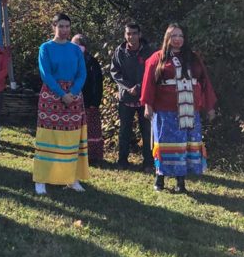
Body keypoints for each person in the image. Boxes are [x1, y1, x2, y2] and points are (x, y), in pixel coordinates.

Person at [141, 23, 217, 193]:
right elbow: (148, 83)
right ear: (167, 38)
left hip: (189, 110)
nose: (177, 39)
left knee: (184, 144)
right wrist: (148, 104)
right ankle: (159, 178)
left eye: (180, 36)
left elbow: (205, 82)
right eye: (174, 36)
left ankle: (180, 182)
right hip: (165, 111)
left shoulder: (193, 58)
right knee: (165, 144)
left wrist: (209, 106)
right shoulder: (157, 58)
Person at [33, 13, 88, 194]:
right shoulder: (45, 48)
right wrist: (61, 93)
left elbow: (82, 73)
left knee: (71, 138)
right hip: (51, 96)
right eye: (61, 26)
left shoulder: (75, 50)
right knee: (48, 138)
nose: (64, 30)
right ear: (54, 27)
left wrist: (72, 92)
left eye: (67, 26)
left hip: (73, 97)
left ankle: (71, 178)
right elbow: (45, 74)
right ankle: (41, 178)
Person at [110, 21, 154, 171]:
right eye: (128, 33)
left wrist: (140, 87)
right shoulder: (119, 51)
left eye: (134, 33)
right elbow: (115, 72)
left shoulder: (149, 51)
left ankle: (148, 163)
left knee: (147, 131)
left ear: (139, 34)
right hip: (126, 98)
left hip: (145, 98)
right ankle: (122, 161)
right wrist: (128, 87)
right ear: (125, 35)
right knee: (124, 131)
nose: (131, 36)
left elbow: (154, 72)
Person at [72, 34, 104, 166]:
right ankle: (74, 154)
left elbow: (97, 83)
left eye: (80, 45)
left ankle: (92, 156)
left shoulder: (92, 62)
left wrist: (95, 102)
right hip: (73, 101)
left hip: (89, 102)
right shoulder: (70, 61)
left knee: (91, 130)